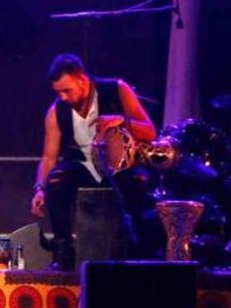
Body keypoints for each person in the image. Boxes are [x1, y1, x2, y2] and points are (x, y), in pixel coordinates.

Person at [29, 54, 156, 270]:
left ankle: (142, 252)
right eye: (58, 92)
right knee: (56, 182)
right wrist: (40, 188)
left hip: (119, 164)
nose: (63, 97)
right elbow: (48, 157)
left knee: (139, 183)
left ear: (82, 79)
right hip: (83, 166)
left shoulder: (117, 89)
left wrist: (122, 120)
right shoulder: (56, 111)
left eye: (66, 90)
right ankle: (63, 252)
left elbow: (150, 131)